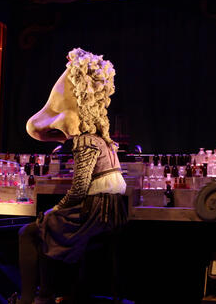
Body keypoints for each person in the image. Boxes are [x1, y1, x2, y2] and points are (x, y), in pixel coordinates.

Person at [10, 48, 128, 304]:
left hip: (95, 212)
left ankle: (35, 297)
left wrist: (55, 210)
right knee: (46, 227)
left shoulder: (85, 140)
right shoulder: (103, 139)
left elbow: (79, 189)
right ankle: (59, 293)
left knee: (31, 231)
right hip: (112, 211)